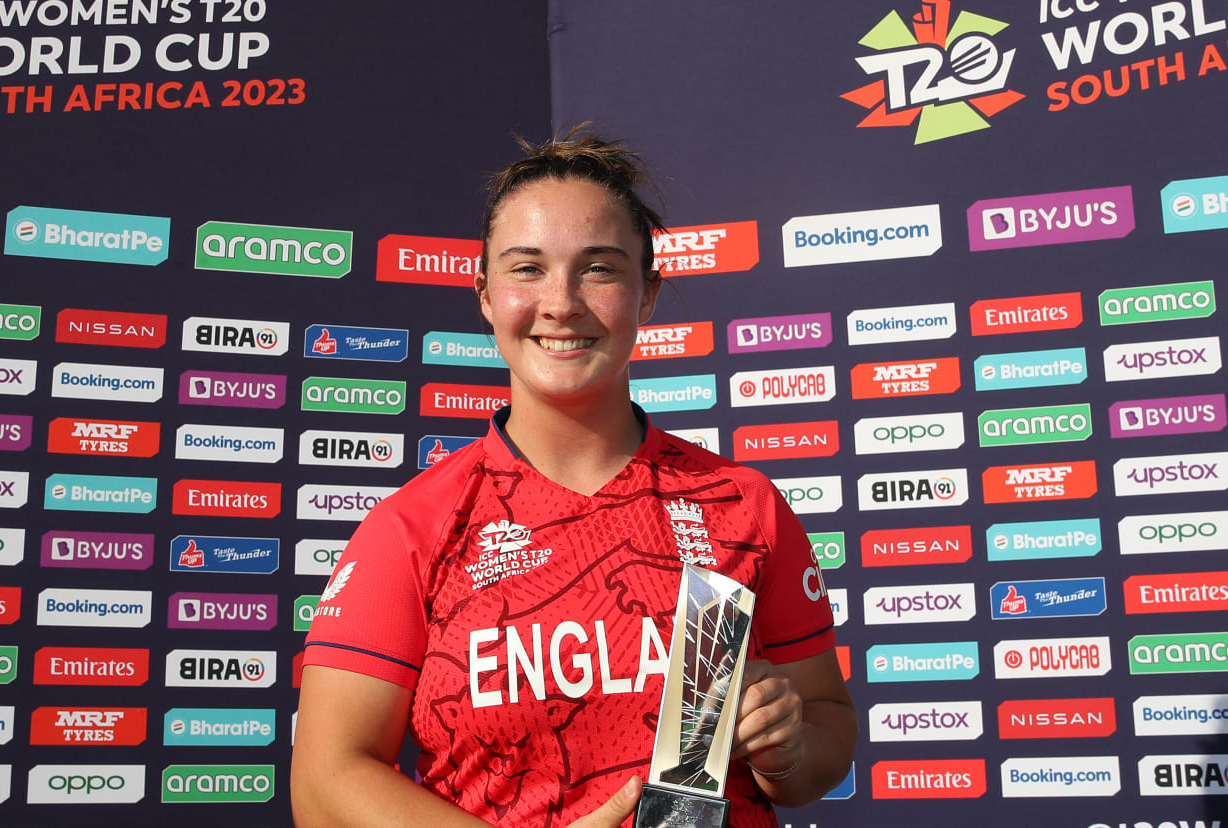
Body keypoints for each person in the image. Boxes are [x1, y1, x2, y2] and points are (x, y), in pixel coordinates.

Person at [292, 129, 856, 828]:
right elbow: (324, 782)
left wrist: (787, 749)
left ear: (647, 295)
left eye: (599, 268)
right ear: (485, 295)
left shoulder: (741, 504)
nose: (561, 302)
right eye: (526, 269)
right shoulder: (412, 526)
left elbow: (825, 737)